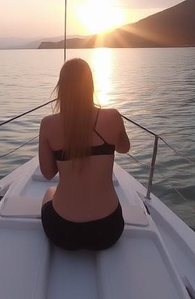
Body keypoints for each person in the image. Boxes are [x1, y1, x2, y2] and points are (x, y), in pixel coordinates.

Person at [38, 58, 131, 251]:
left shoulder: (48, 124)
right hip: (109, 230)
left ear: (61, 88)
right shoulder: (113, 117)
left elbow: (48, 173)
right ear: (90, 86)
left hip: (63, 231)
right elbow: (124, 148)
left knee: (49, 193)